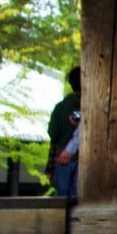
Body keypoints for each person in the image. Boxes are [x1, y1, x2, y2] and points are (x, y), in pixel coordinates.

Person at [47, 66, 81, 200]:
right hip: (84, 158)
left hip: (62, 157)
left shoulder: (60, 107)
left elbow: (53, 133)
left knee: (62, 199)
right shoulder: (90, 105)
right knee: (79, 198)